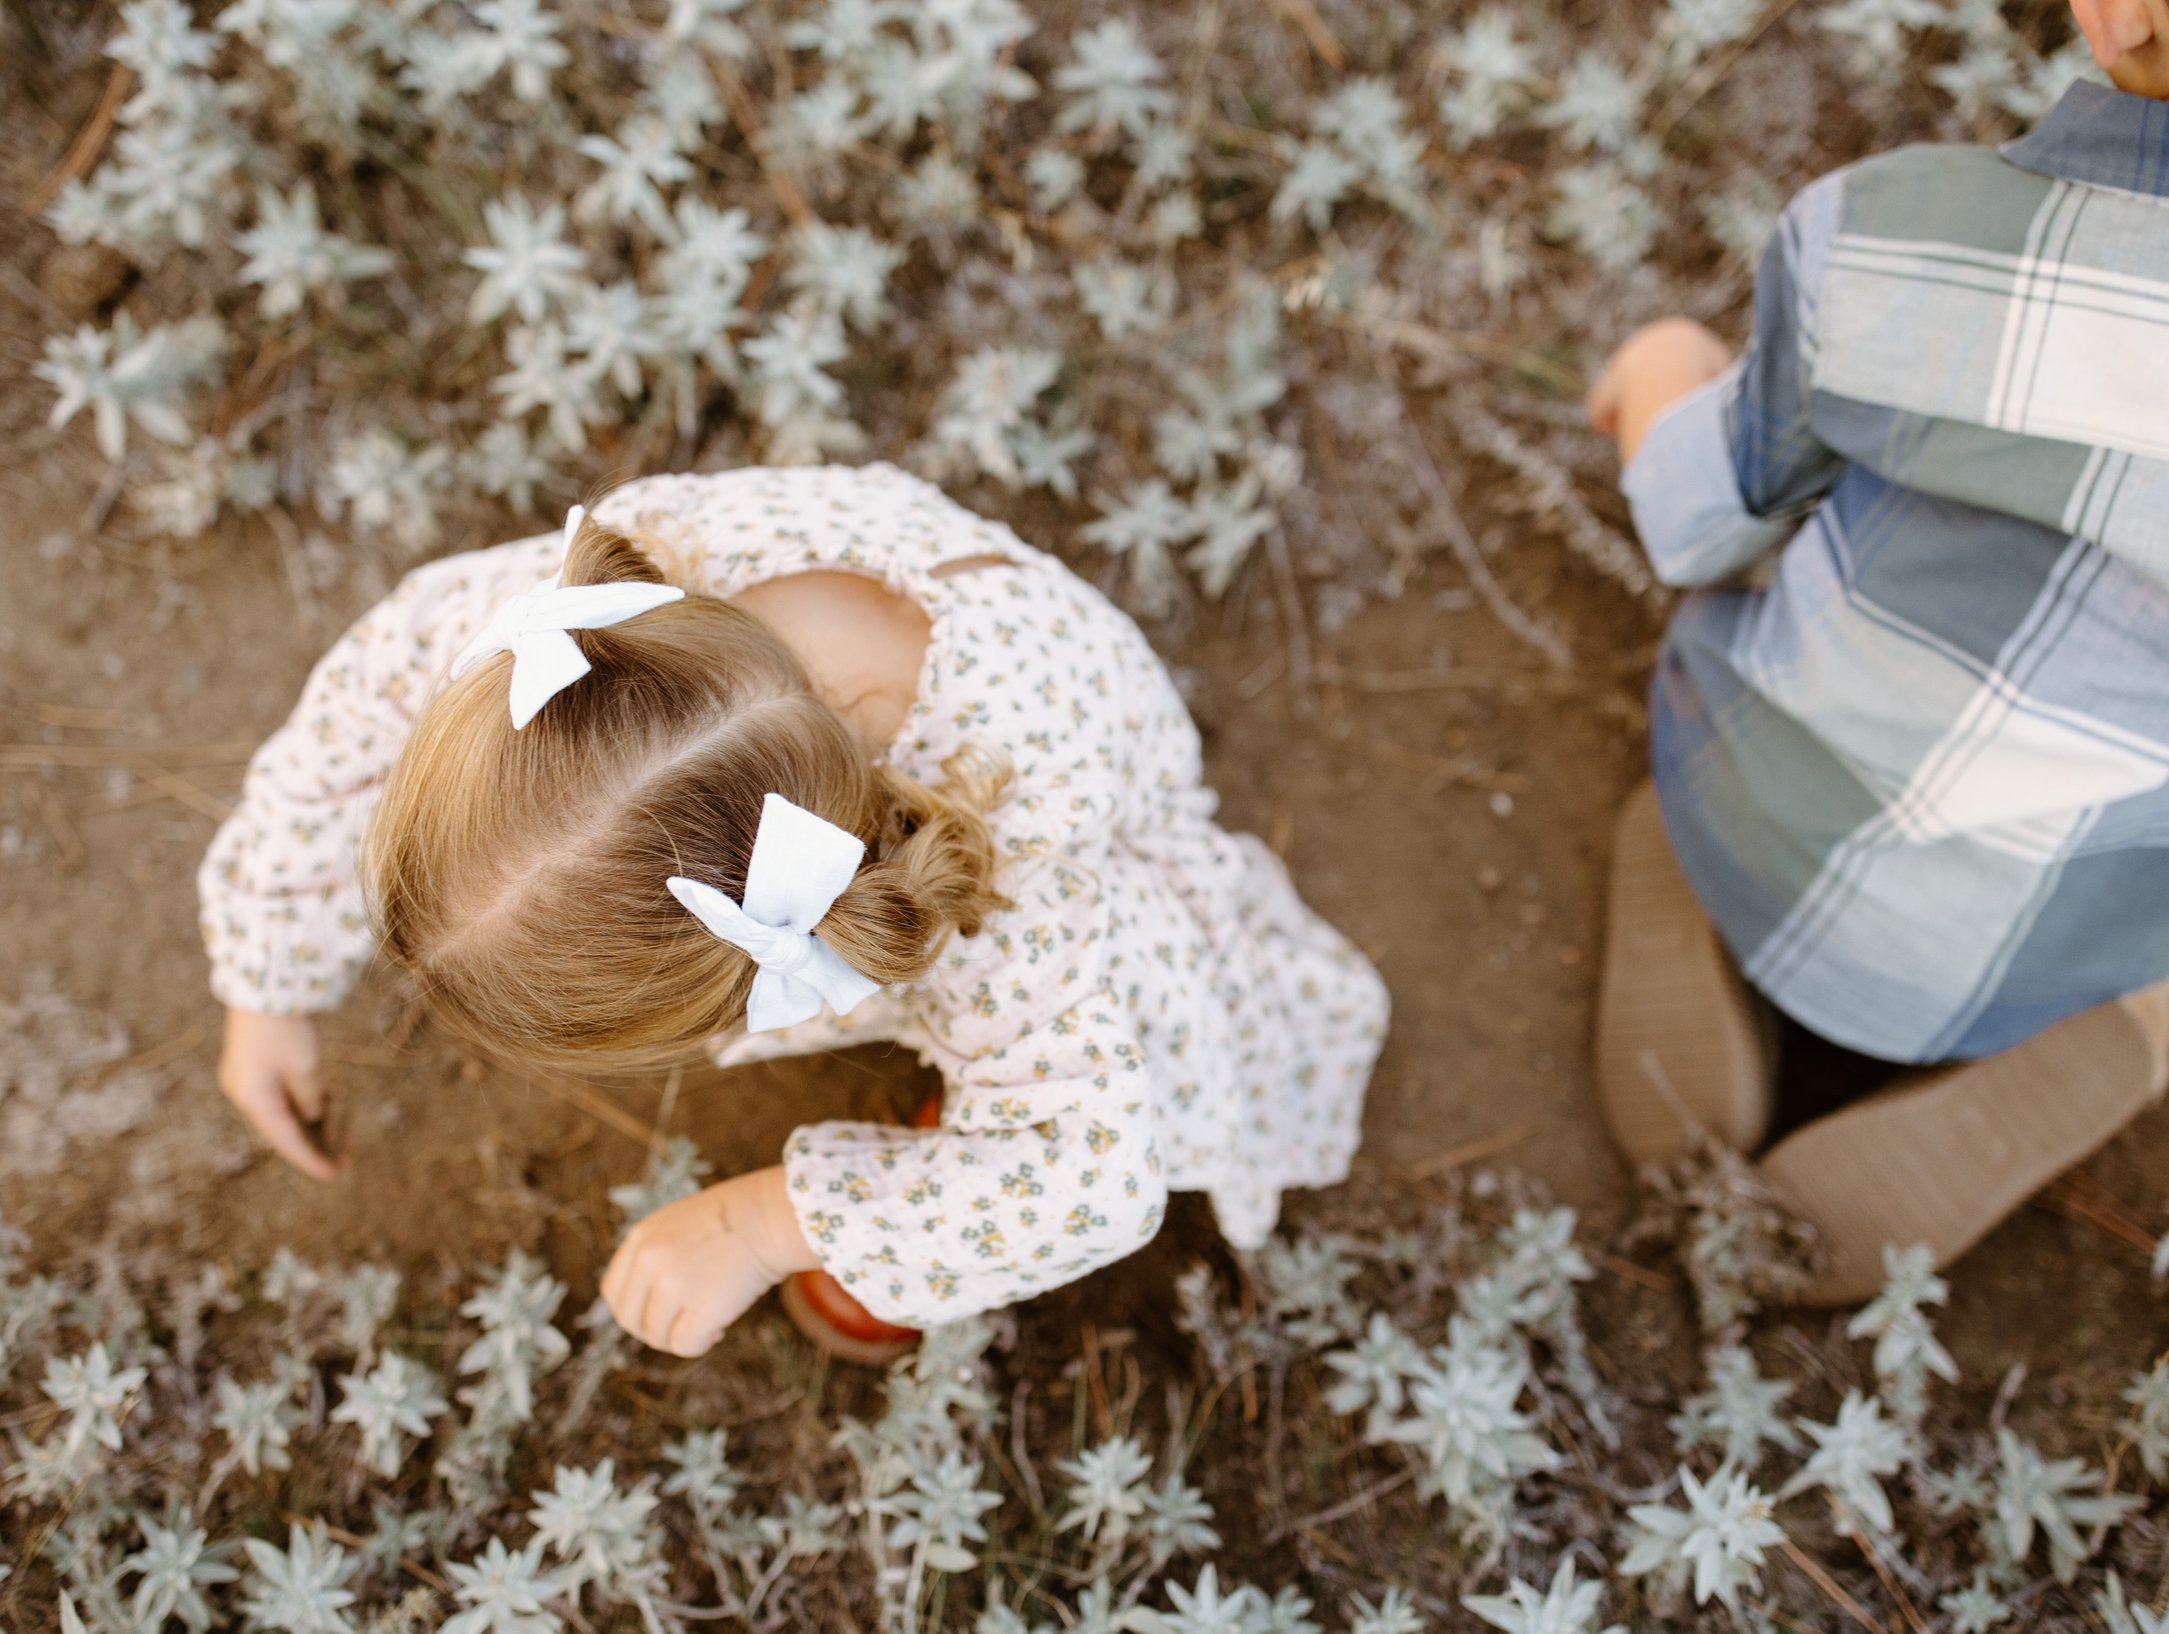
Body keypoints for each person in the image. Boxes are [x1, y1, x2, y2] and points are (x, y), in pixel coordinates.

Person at [1585, 0, 2169, 1303]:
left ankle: (1690, 908)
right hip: (2091, 930)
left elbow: (1694, 530)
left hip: (1769, 821)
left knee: (1686, 783)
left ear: (2114, 1)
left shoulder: (1885, 236)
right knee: (2166, 891)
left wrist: (1659, 363)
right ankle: (2110, 1023)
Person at [202, 464, 1388, 1360]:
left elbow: (1086, 1173)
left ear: (758, 965)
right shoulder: (601, 632)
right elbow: (360, 708)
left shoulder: (1016, 891)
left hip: (1079, 800)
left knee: (1084, 1068)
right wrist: (267, 981)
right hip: (926, 690)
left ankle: (908, 1192)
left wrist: (759, 1225)